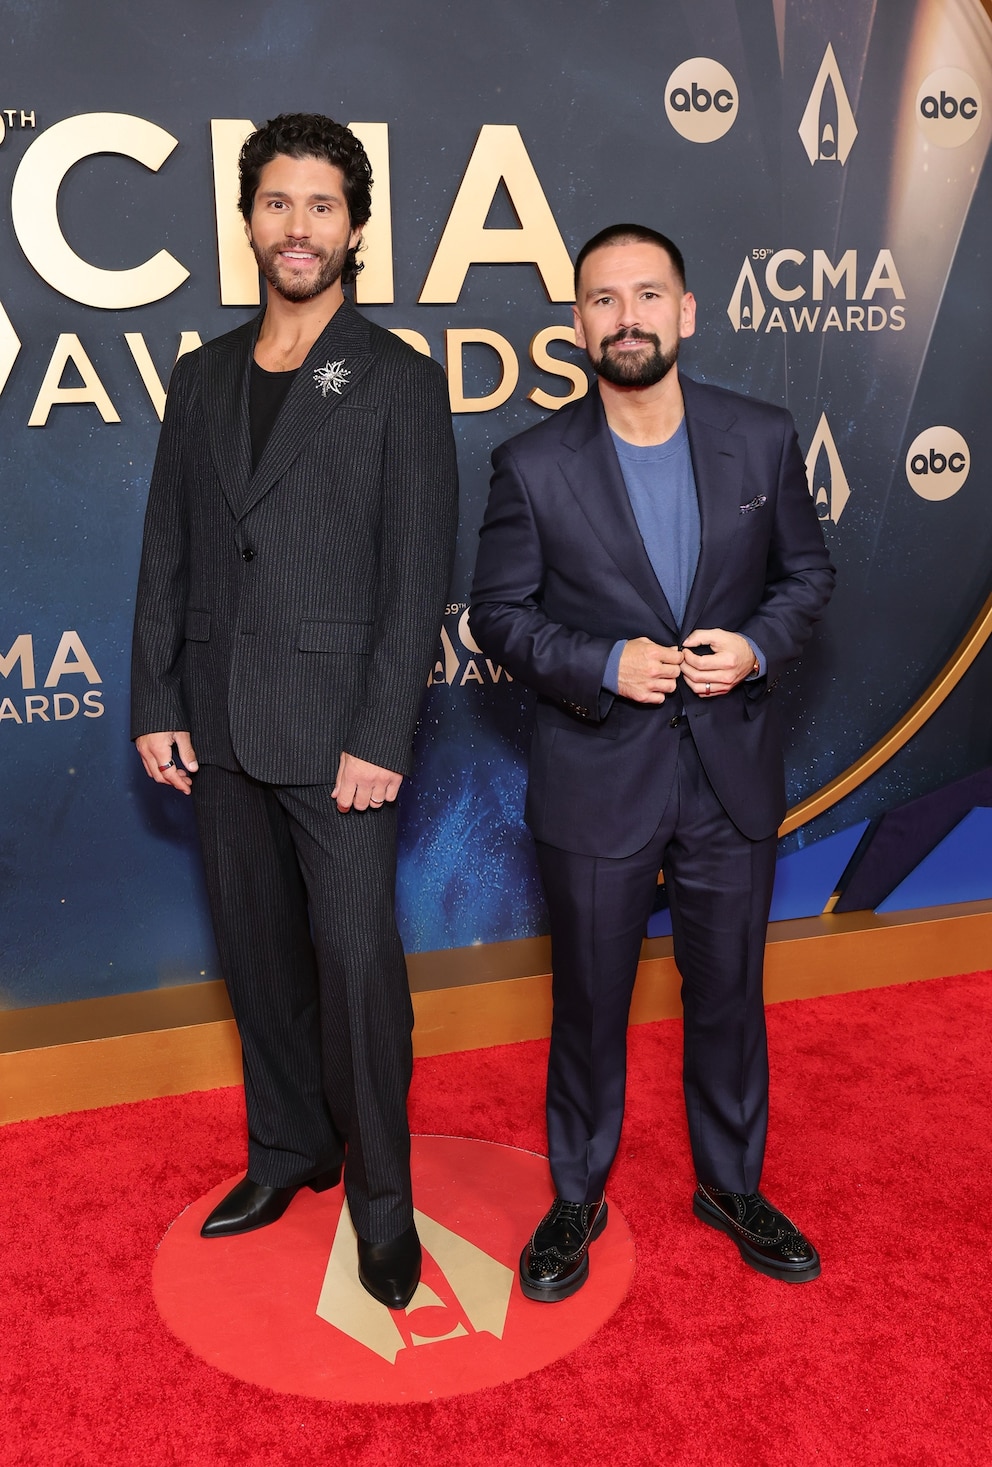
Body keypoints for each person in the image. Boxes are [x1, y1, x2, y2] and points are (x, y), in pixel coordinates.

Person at [470, 224, 835, 1301]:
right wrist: (603, 662)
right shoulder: (531, 464)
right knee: (588, 1004)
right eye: (602, 300)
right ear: (578, 323)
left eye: (645, 295)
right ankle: (576, 1196)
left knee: (728, 995)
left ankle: (731, 1186)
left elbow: (807, 576)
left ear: (686, 311)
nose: (625, 317)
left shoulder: (761, 437)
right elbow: (498, 615)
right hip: (596, 781)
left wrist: (754, 646)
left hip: (729, 778)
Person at [131, 114, 458, 1310]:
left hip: (338, 738)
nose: (298, 226)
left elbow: (416, 578)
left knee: (359, 970)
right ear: (249, 221)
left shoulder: (397, 381)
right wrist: (155, 696)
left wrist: (379, 733)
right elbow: (167, 547)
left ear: (355, 227)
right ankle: (286, 1151)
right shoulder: (201, 374)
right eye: (278, 203)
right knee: (258, 958)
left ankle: (383, 1203)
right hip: (218, 721)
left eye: (322, 205)